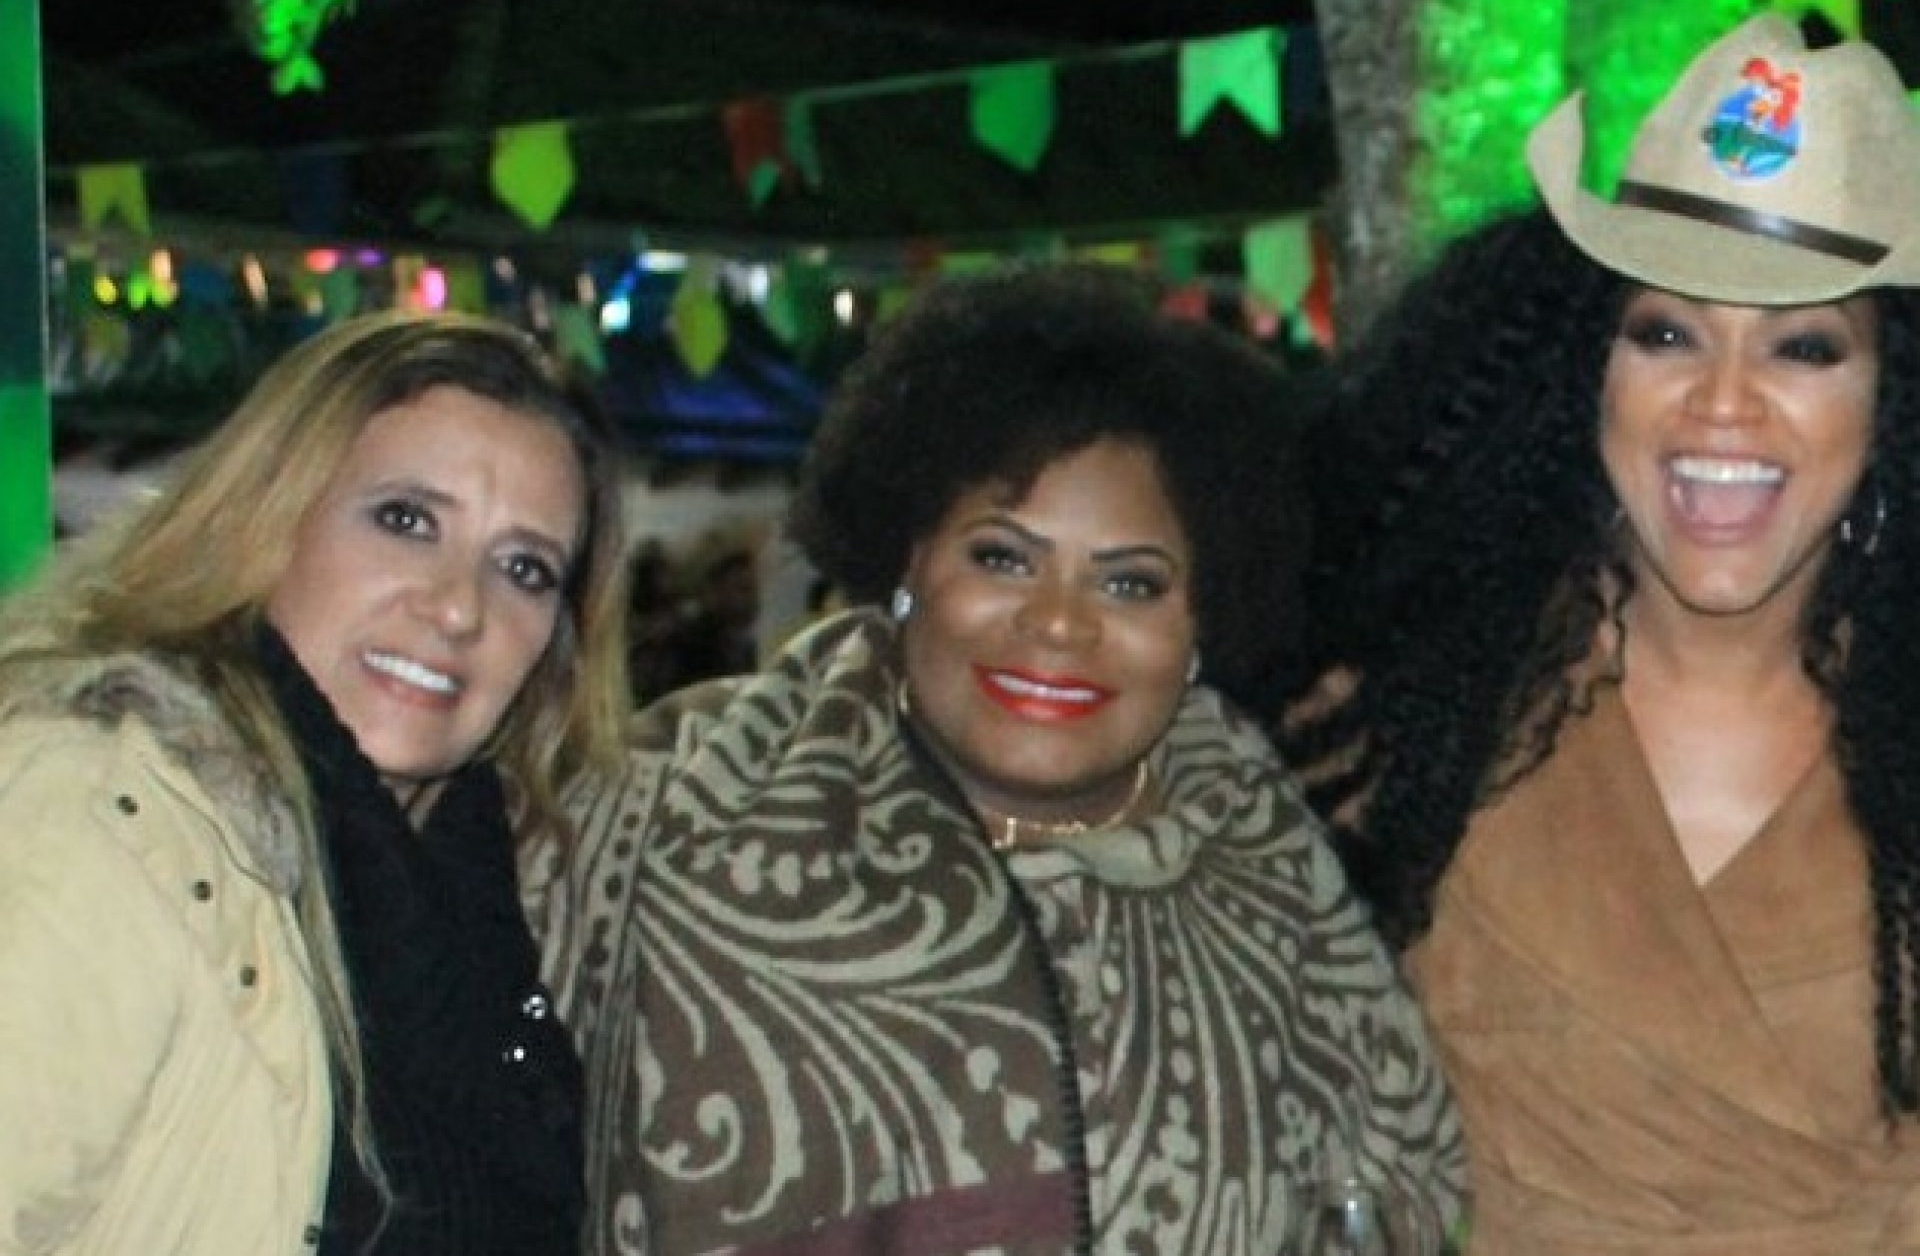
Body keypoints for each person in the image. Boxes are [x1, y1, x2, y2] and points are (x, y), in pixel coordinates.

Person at [534, 263, 1465, 1256]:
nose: (1060, 622)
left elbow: (1403, 1194)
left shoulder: (1279, 882)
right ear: (907, 564)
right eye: (1003, 558)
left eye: (1131, 584)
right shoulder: (668, 814)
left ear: (1204, 620)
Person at [1286, 14, 1920, 1252]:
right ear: (1584, 376)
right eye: (1666, 334)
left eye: (1803, 347)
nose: (1723, 403)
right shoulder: (1400, 724)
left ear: (1890, 406)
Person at [0, 310, 630, 1256]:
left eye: (524, 568)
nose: (460, 607)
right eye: (406, 520)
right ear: (266, 518)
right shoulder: (106, 822)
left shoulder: (483, 886)